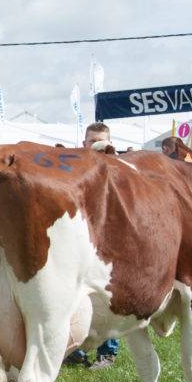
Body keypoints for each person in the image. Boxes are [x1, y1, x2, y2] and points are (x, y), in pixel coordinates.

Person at [64, 122, 119, 369]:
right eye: (92, 142)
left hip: (110, 240)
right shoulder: (74, 168)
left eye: (102, 142)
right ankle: (77, 347)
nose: (97, 146)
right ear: (84, 144)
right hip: (82, 240)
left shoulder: (118, 168)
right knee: (77, 294)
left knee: (110, 295)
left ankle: (108, 351)